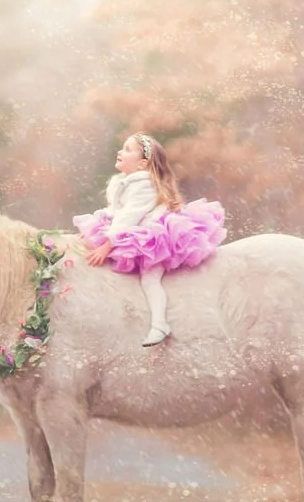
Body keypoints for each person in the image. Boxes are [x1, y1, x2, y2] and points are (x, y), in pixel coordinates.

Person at [73, 132, 227, 347]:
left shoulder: (144, 185)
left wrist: (107, 246)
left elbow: (128, 218)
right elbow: (117, 212)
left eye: (127, 149)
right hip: (132, 228)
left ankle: (160, 324)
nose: (120, 151)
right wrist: (97, 223)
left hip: (154, 236)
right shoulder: (123, 183)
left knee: (150, 279)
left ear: (142, 164)